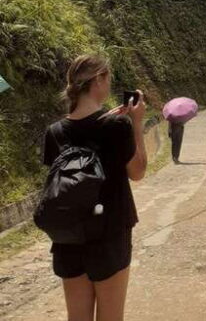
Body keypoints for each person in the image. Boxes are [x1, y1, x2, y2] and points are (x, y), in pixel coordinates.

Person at [42, 54, 147, 321]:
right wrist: (135, 124)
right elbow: (137, 172)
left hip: (68, 237)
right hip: (108, 234)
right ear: (99, 79)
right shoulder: (117, 125)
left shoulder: (54, 132)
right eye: (108, 78)